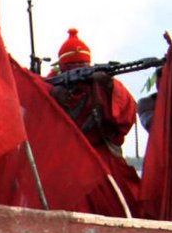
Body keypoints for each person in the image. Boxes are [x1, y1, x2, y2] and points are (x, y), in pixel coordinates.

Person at [48, 28, 140, 213]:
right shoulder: (50, 87)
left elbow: (126, 116)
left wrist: (107, 86)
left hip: (103, 166)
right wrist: (54, 95)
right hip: (66, 170)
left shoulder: (103, 84)